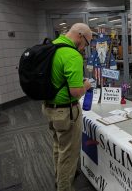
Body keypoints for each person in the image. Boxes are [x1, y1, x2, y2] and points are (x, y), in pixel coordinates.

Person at [42, 23, 92, 191]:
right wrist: (86, 85)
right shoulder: (72, 55)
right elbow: (76, 92)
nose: (85, 47)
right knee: (69, 155)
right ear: (80, 35)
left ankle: (58, 178)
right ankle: (64, 187)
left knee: (58, 146)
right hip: (66, 112)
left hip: (49, 107)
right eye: (86, 42)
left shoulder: (52, 46)